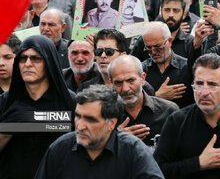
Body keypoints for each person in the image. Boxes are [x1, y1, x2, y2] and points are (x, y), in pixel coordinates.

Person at [34, 84, 165, 179]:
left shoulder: (133, 151)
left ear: (111, 123)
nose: (80, 126)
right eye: (78, 116)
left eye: (90, 119)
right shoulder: (60, 149)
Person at [154, 53, 220, 179]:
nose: (204, 92)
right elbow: (157, 170)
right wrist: (198, 163)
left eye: (212, 84)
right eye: (199, 84)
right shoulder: (176, 122)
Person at [0, 35, 76, 179]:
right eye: (23, 58)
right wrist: (8, 129)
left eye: (36, 58)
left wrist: (35, 120)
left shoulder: (71, 102)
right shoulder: (5, 102)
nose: (28, 64)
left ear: (49, 62)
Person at [108, 55, 179, 146]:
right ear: (111, 83)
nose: (125, 89)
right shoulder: (103, 115)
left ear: (143, 78)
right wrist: (115, 139)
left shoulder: (169, 111)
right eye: (118, 83)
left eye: (130, 80)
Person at [141, 21, 193, 108]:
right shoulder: (141, 69)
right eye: (148, 48)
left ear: (170, 41)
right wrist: (157, 96)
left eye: (158, 47)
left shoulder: (187, 67)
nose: (153, 52)